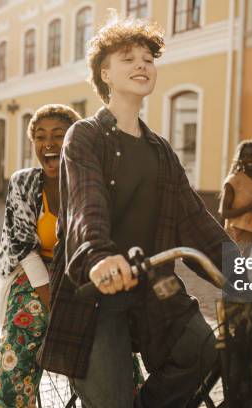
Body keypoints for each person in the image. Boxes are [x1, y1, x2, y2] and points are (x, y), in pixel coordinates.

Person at [39, 15, 235, 408]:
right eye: (128, 58)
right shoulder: (85, 136)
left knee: (205, 350)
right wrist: (98, 256)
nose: (142, 65)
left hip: (154, 290)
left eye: (148, 58)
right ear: (105, 73)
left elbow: (197, 223)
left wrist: (247, 272)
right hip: (96, 292)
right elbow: (84, 204)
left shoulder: (160, 150)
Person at [0, 104, 81, 408]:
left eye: (59, 135)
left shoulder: (90, 181)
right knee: (26, 323)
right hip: (34, 270)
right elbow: (23, 246)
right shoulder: (23, 182)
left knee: (112, 337)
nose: (49, 143)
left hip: (80, 271)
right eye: (40, 137)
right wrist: (49, 297)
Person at [219, 140, 252, 248]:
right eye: (245, 156)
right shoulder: (233, 181)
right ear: (239, 159)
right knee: (242, 264)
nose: (249, 159)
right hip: (239, 234)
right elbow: (224, 213)